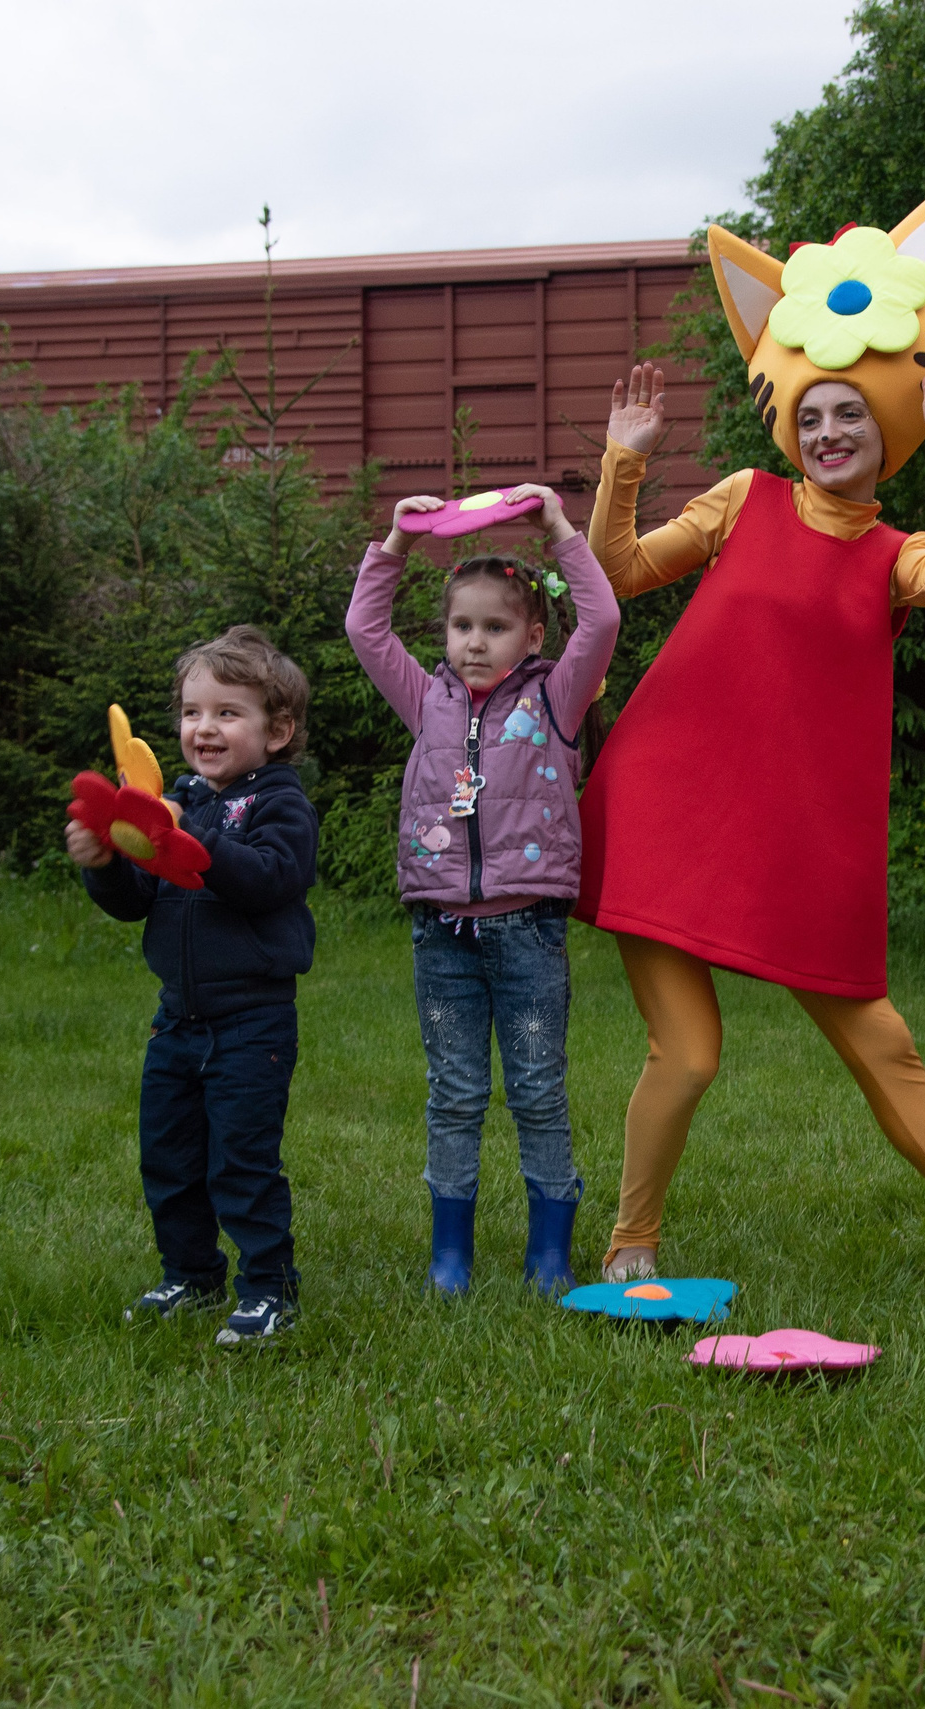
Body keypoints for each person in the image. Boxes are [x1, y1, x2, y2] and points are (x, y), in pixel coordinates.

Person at [580, 193, 925, 1280]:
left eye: (852, 416)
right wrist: (621, 463)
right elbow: (617, 573)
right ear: (787, 421)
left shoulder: (898, 555)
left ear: (890, 430)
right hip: (665, 805)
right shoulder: (742, 500)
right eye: (812, 415)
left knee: (884, 1042)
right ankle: (632, 1239)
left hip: (798, 841)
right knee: (686, 1056)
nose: (828, 434)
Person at [344, 485, 617, 1296]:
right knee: (455, 1093)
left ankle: (548, 1254)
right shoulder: (424, 697)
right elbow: (365, 628)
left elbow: (599, 622)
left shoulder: (555, 700)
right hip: (441, 935)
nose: (473, 642)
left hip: (526, 929)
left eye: (494, 627)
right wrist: (393, 540)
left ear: (531, 635)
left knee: (537, 1089)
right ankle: (450, 1258)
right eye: (462, 626)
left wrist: (561, 530)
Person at [68, 626, 320, 1345]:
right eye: (191, 711)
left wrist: (193, 841)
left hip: (252, 1022)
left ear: (277, 731)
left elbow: (271, 876)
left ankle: (270, 1288)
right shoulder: (176, 799)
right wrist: (107, 861)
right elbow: (136, 898)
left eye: (226, 712)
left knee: (241, 1160)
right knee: (170, 1156)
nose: (203, 728)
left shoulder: (280, 804)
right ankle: (191, 1273)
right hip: (176, 1020)